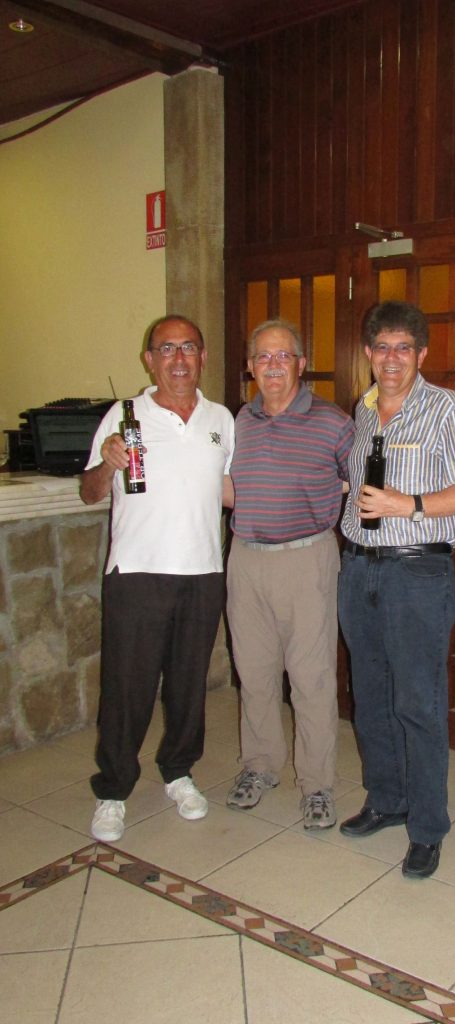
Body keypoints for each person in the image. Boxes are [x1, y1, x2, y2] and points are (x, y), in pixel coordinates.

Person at [337, 300, 455, 879]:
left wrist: (411, 504)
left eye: (404, 348)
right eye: (382, 347)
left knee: (418, 702)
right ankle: (387, 799)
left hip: (416, 572)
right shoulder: (363, 410)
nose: (392, 358)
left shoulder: (446, 409)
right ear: (368, 352)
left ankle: (427, 828)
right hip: (359, 568)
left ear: (421, 354)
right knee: (369, 695)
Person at [80, 314, 235, 842]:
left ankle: (179, 772)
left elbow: (229, 490)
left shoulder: (221, 419)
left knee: (189, 685)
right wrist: (108, 464)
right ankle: (113, 789)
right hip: (137, 573)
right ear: (149, 360)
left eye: (188, 347)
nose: (178, 358)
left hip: (202, 572)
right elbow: (89, 493)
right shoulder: (123, 415)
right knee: (128, 688)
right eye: (166, 348)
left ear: (202, 356)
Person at [224, 318, 354, 829]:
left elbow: (362, 480)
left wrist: (332, 494)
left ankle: (317, 784)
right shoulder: (239, 421)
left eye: (283, 356)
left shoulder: (332, 422)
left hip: (307, 560)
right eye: (263, 356)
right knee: (254, 673)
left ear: (301, 363)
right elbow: (228, 486)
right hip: (246, 558)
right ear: (250, 366)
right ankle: (259, 766)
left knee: (312, 677)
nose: (273, 365)